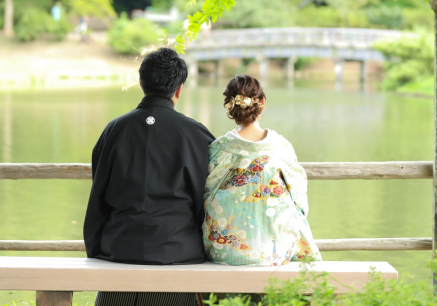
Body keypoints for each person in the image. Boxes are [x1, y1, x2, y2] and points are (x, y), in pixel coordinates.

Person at [84, 47, 215, 306]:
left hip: (119, 248)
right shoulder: (196, 135)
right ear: (179, 90)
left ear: (141, 82)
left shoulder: (114, 130)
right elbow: (208, 204)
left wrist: (98, 249)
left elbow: (98, 195)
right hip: (178, 251)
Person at [203, 75, 321, 266]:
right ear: (262, 102)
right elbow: (300, 202)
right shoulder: (281, 148)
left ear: (229, 107)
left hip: (224, 251)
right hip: (274, 253)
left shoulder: (219, 148)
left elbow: (206, 196)